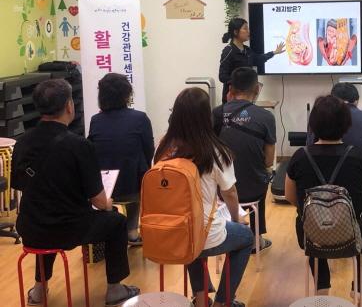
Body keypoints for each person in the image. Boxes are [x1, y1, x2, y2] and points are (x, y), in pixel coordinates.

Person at [11, 79, 139, 307]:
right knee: (116, 222)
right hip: (70, 229)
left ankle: (39, 290)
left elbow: (20, 185)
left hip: (30, 228)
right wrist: (108, 203)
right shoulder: (79, 145)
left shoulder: (22, 143)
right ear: (69, 106)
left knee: (45, 219)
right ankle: (115, 289)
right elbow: (99, 201)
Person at [155, 87, 253, 307]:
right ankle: (222, 302)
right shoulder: (215, 151)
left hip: (172, 232)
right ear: (207, 117)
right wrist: (236, 218)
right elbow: (230, 193)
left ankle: (200, 300)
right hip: (207, 233)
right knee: (246, 238)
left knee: (190, 233)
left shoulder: (163, 147)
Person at [285, 95, 362, 305]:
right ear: (346, 125)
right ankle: (359, 290)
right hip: (355, 234)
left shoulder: (299, 156)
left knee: (310, 223)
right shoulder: (361, 157)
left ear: (313, 125)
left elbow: (291, 197)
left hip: (311, 236)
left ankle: (322, 286)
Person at [213, 67, 276, 252]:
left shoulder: (217, 113)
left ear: (230, 88)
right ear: (256, 89)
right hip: (253, 190)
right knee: (263, 176)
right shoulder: (266, 117)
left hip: (222, 190)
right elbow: (269, 161)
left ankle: (227, 233)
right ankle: (256, 238)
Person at [88, 73, 154, 245]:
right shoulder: (140, 118)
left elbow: (92, 152)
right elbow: (149, 150)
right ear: (127, 95)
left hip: (103, 189)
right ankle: (132, 231)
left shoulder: (95, 121)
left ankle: (109, 229)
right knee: (138, 169)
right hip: (134, 186)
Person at [308, 83, 362, 173]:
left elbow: (310, 148)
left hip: (319, 176)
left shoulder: (319, 116)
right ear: (356, 101)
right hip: (360, 176)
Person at [219, 18, 285, 103]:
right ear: (235, 32)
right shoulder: (228, 51)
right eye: (245, 29)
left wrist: (274, 53)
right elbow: (222, 76)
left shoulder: (247, 50)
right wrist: (241, 81)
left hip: (247, 97)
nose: (248, 31)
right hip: (232, 99)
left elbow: (258, 59)